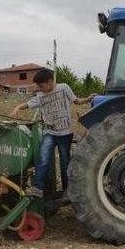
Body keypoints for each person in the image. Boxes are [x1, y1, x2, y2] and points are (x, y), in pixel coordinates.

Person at [10, 68, 95, 197]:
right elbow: (27, 104)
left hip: (65, 133)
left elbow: (76, 101)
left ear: (50, 81)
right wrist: (17, 108)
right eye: (38, 86)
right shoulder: (40, 96)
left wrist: (88, 99)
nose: (40, 88)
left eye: (41, 85)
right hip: (49, 132)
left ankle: (67, 190)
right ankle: (38, 188)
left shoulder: (64, 88)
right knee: (43, 159)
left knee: (65, 161)